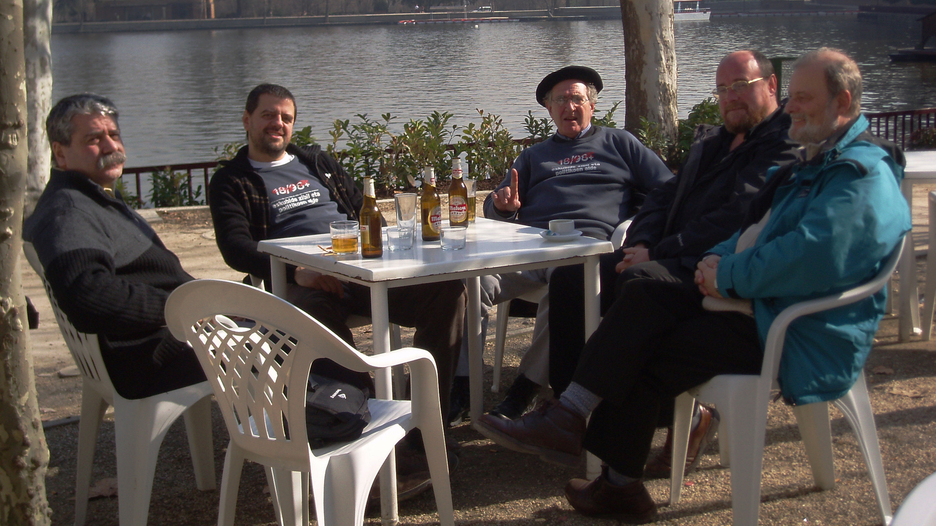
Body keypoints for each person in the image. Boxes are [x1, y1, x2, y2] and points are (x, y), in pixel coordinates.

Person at [476, 49, 910, 522]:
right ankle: (612, 474)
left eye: (798, 97)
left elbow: (808, 253)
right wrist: (648, 242)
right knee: (614, 312)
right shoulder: (801, 159)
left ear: (841, 101)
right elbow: (689, 206)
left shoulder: (856, 172)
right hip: (752, 301)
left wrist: (721, 271)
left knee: (643, 297)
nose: (791, 107)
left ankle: (572, 417)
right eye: (722, 89)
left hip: (794, 325)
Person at [545, 50, 800, 475]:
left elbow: (739, 213)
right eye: (722, 89)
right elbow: (664, 194)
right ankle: (567, 413)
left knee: (640, 287)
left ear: (771, 86)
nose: (731, 97)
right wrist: (641, 239)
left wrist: (657, 252)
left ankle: (601, 432)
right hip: (666, 254)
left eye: (741, 86)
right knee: (573, 280)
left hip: (710, 264)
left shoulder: (781, 144)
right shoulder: (716, 140)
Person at [208, 84, 467, 419]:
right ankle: (370, 417)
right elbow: (235, 248)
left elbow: (364, 210)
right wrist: (296, 271)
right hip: (297, 280)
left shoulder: (317, 163)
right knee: (312, 316)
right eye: (268, 115)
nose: (278, 123)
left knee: (446, 291)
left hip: (357, 267)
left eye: (286, 117)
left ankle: (425, 415)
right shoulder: (232, 180)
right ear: (247, 120)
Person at [448, 66, 673, 426]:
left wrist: (640, 227)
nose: (570, 107)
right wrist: (503, 206)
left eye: (577, 99)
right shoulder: (534, 156)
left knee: (568, 284)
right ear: (549, 110)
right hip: (531, 246)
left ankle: (525, 387)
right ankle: (461, 385)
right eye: (560, 101)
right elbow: (496, 206)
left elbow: (667, 190)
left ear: (592, 106)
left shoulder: (621, 144)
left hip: (584, 250)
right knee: (471, 281)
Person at [24, 94, 205, 399]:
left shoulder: (93, 197)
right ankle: (290, 440)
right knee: (291, 347)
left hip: (161, 339)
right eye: (94, 139)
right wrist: (184, 309)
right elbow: (88, 297)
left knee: (277, 327)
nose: (111, 147)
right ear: (61, 153)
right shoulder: (69, 211)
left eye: (114, 135)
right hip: (148, 358)